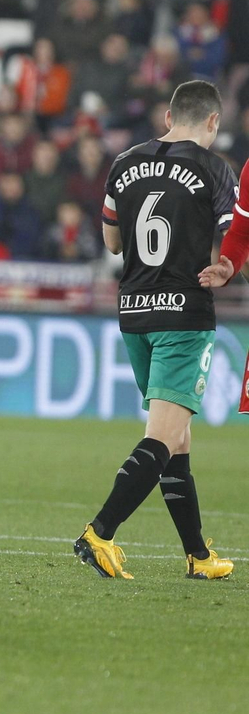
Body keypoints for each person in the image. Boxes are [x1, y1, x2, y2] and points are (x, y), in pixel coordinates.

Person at [76, 82, 235, 581]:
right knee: (162, 438)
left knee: (177, 437)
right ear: (213, 121)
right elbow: (233, 240)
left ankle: (198, 556)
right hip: (183, 315)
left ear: (168, 116)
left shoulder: (124, 162)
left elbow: (111, 241)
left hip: (135, 311)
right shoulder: (214, 169)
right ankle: (99, 532)